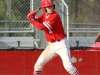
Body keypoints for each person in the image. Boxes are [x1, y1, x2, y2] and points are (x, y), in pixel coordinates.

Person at [27, 0, 79, 75]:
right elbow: (35, 20)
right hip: (51, 45)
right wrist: (31, 16)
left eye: (51, 6)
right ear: (44, 8)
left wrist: (31, 19)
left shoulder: (55, 16)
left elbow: (41, 27)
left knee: (68, 67)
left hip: (61, 44)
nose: (51, 8)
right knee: (38, 65)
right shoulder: (44, 16)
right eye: (48, 7)